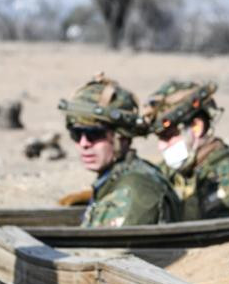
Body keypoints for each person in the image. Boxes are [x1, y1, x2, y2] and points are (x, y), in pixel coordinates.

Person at [58, 73, 181, 228]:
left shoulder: (136, 190)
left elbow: (115, 249)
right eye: (76, 134)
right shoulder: (115, 179)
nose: (84, 143)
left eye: (94, 134)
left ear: (122, 137)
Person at [143, 80, 229, 221]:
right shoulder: (169, 172)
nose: (161, 146)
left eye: (168, 136)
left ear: (197, 127)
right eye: (159, 138)